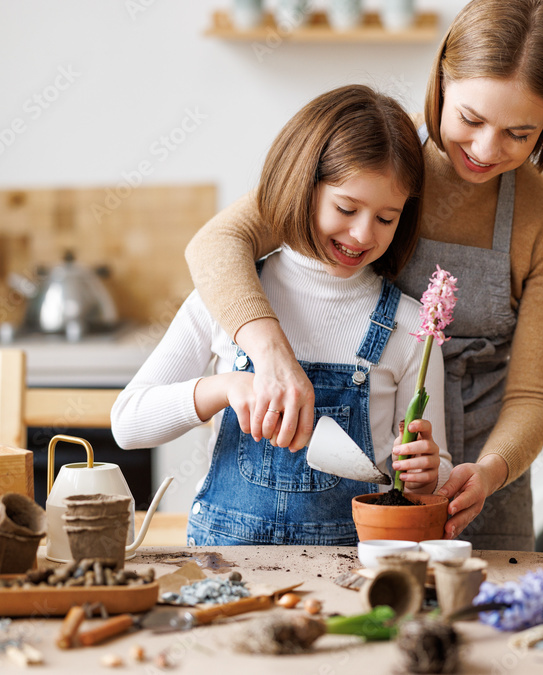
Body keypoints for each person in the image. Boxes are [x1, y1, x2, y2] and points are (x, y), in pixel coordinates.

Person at [184, 0, 543, 551]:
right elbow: (216, 243)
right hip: (358, 492)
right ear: (441, 80)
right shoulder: (379, 159)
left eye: (519, 133)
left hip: (481, 491)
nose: (486, 150)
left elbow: (535, 396)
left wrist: (487, 473)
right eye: (470, 119)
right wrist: (271, 359)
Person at [112, 84, 452, 547]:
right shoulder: (230, 295)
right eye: (346, 208)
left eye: (386, 218)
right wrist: (226, 388)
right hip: (224, 568)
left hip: (348, 577)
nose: (361, 233)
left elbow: (433, 471)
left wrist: (427, 475)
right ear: (303, 186)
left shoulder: (412, 328)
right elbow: (128, 423)